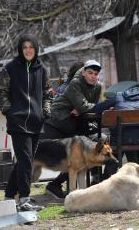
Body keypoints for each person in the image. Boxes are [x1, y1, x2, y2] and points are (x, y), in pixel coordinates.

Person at [43, 60, 115, 198]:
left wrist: (84, 108)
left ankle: (95, 182)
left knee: (92, 148)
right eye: (90, 73)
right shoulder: (74, 84)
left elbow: (90, 107)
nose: (93, 76)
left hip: (74, 124)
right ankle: (51, 187)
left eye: (96, 74)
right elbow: (86, 107)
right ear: (83, 73)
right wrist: (87, 108)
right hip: (56, 124)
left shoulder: (97, 86)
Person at [0, 33, 51, 211]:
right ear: (21, 49)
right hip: (18, 122)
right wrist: (8, 111)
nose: (28, 50)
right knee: (26, 160)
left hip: (36, 121)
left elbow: (47, 93)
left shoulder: (42, 69)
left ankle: (8, 196)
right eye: (25, 47)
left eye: (31, 47)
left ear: (36, 49)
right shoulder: (10, 68)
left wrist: (45, 111)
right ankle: (24, 199)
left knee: (23, 160)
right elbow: (1, 91)